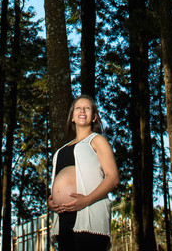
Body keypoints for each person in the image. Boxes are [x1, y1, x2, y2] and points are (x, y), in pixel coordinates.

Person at [47, 95, 119, 249]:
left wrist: (86, 200)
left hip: (89, 215)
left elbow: (113, 178)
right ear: (72, 117)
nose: (82, 111)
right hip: (64, 219)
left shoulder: (97, 140)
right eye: (78, 108)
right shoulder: (60, 151)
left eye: (87, 108)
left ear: (93, 117)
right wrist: (51, 201)